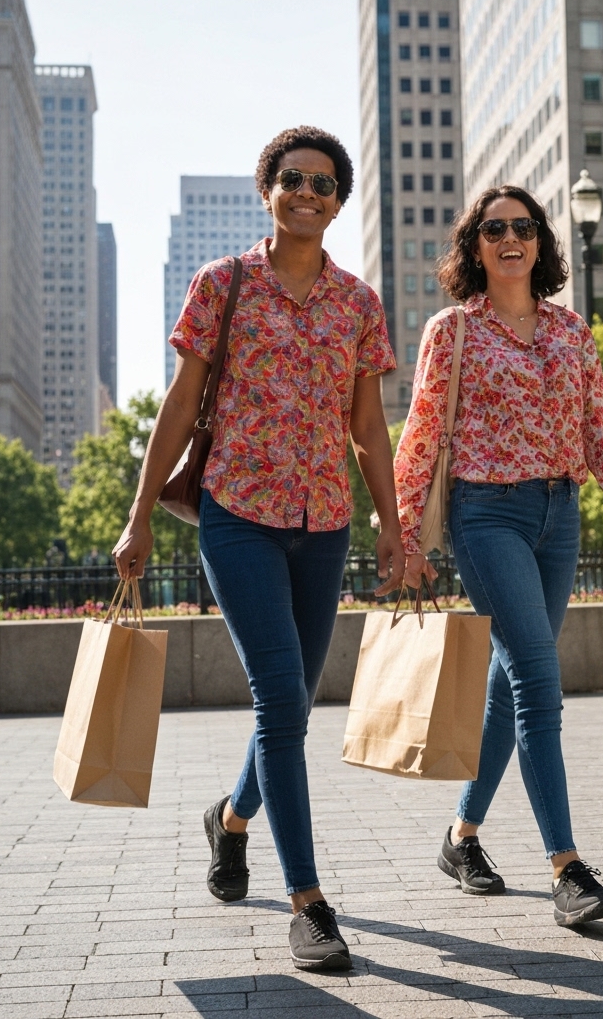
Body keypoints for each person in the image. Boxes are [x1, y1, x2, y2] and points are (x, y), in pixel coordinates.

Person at [112, 127, 405, 971]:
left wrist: (390, 521)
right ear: (267, 190)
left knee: (292, 706)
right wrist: (139, 516)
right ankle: (308, 901)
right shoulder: (224, 284)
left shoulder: (358, 302)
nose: (306, 192)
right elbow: (180, 404)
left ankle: (231, 819)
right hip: (237, 514)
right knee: (281, 699)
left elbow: (368, 428)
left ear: (339, 201)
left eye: (323, 182)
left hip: (324, 524)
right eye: (291, 179)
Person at [394, 185, 603, 927]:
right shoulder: (452, 331)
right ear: (474, 246)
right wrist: (408, 533)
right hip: (486, 516)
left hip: (559, 514)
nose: (510, 237)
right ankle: (567, 870)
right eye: (493, 229)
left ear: (542, 242)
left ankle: (460, 837)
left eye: (523, 227)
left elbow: (600, 420)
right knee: (540, 682)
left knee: (508, 691)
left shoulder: (571, 331)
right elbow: (421, 434)